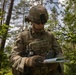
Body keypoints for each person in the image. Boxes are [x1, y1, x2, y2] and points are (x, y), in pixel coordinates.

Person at [10, 4, 64, 75]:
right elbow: (13, 58)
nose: (41, 25)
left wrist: (56, 64)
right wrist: (27, 61)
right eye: (38, 22)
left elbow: (59, 54)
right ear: (31, 21)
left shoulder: (50, 36)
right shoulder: (23, 36)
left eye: (43, 23)